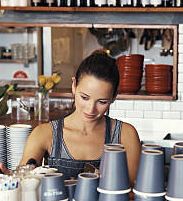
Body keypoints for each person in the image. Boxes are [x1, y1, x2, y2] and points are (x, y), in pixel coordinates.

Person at [20, 50, 141, 182]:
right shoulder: (44, 134)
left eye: (102, 102)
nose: (91, 109)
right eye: (84, 97)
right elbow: (23, 182)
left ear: (114, 97)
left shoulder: (126, 135)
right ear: (74, 85)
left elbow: (133, 193)